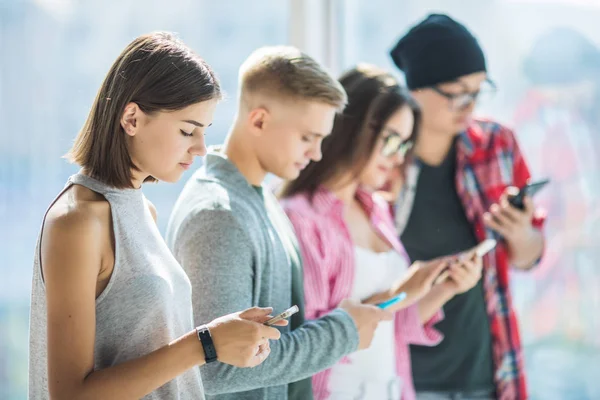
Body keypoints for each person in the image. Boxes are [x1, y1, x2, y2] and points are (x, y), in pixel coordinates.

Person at [28, 32, 283, 400]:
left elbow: (148, 351)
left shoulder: (142, 209)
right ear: (131, 118)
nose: (199, 148)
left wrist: (221, 336)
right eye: (186, 130)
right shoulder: (76, 222)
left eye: (204, 132)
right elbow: (70, 395)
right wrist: (205, 344)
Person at [166, 46, 392, 400]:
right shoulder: (218, 216)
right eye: (307, 138)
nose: (316, 154)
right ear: (259, 121)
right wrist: (342, 332)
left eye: (321, 140)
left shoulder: (263, 200)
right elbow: (216, 368)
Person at [280, 64, 483, 400]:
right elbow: (307, 341)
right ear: (354, 128)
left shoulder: (377, 209)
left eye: (404, 145)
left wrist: (444, 288)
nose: (397, 157)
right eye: (391, 141)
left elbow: (391, 328)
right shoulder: (302, 217)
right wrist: (400, 292)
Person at [388, 14, 546, 400]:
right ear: (417, 89)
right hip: (404, 373)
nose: (469, 105)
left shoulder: (497, 144)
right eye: (457, 92)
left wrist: (521, 234)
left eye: (478, 90)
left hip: (485, 368)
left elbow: (530, 257)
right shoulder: (383, 160)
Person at [512, 27, 600, 398]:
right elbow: (584, 218)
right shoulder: (559, 126)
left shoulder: (521, 123)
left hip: (549, 323)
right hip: (561, 322)